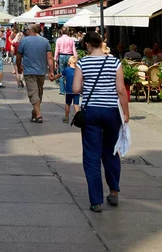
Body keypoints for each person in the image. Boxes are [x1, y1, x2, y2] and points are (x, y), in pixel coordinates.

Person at [73, 31, 129, 213]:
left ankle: (96, 201)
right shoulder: (114, 62)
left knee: (91, 156)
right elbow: (121, 90)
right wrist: (126, 114)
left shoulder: (83, 62)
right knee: (112, 151)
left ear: (88, 44)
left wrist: (86, 88)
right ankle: (113, 191)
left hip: (91, 112)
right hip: (111, 112)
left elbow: (75, 88)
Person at [17, 24, 54, 123]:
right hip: (41, 71)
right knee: (37, 93)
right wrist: (51, 71)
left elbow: (18, 56)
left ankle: (36, 113)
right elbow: (50, 57)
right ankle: (38, 114)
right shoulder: (45, 41)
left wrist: (18, 66)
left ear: (30, 30)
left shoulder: (24, 41)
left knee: (35, 93)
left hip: (29, 71)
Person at [53, 56, 80, 123]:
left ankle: (66, 118)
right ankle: (77, 119)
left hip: (69, 91)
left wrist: (53, 78)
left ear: (69, 62)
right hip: (77, 90)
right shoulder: (78, 70)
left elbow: (60, 75)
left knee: (68, 104)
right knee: (76, 104)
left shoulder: (67, 70)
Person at [54, 27, 77, 95]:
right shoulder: (71, 40)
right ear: (67, 32)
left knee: (62, 73)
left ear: (61, 32)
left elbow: (56, 50)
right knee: (70, 73)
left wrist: (55, 59)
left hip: (61, 56)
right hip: (69, 56)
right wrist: (75, 58)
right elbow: (74, 50)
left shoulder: (59, 40)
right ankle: (69, 89)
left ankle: (62, 90)